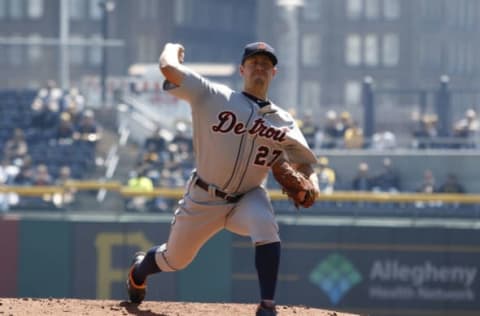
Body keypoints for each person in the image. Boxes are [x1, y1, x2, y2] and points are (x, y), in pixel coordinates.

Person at [126, 42, 319, 316]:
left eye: (266, 63)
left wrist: (312, 187)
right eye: (254, 62)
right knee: (174, 259)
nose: (259, 67)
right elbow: (168, 68)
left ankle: (267, 306)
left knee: (265, 224)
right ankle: (139, 271)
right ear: (242, 69)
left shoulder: (285, 122)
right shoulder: (214, 95)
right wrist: (171, 48)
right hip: (205, 197)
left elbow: (306, 163)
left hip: (248, 197)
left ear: (274, 72)